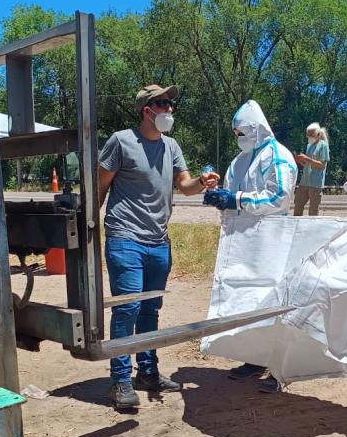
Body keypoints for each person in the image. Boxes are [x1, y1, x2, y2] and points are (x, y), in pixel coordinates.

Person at [98, 84, 220, 409]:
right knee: (127, 309)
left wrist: (203, 183)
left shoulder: (171, 146)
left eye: (170, 103)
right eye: (162, 103)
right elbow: (100, 186)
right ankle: (121, 380)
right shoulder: (121, 141)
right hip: (125, 239)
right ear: (146, 110)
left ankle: (148, 372)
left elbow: (185, 186)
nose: (169, 109)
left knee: (151, 309)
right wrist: (89, 227)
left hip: (158, 242)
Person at [203, 100, 297, 393]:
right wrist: (219, 198)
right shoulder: (239, 160)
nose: (238, 137)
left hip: (272, 244)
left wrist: (238, 200)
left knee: (276, 305)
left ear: (256, 128)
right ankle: (256, 359)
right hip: (244, 246)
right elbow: (231, 196)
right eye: (235, 133)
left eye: (241, 131)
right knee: (249, 302)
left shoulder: (278, 156)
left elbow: (279, 197)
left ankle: (280, 370)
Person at [293, 123, 330, 216]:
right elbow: (308, 164)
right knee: (297, 206)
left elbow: (322, 165)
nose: (309, 137)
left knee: (313, 211)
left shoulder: (323, 146)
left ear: (318, 135)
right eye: (308, 135)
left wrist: (306, 159)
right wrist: (300, 161)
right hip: (304, 182)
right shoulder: (309, 146)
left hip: (315, 183)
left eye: (311, 135)